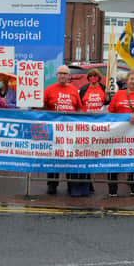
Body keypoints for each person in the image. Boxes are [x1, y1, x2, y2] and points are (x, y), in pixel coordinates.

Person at [107, 70, 134, 196]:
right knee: (114, 159)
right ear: (127, 80)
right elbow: (111, 111)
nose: (133, 81)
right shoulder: (119, 94)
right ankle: (112, 189)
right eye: (131, 79)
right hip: (119, 134)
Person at [43, 65, 82, 195]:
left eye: (65, 74)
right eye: (60, 73)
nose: (62, 76)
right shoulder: (48, 89)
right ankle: (52, 185)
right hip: (54, 130)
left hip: (70, 131)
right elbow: (41, 107)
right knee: (53, 158)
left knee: (69, 158)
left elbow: (79, 109)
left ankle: (71, 185)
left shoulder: (74, 90)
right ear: (56, 75)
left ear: (69, 76)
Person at [74, 68, 109, 195]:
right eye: (91, 76)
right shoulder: (84, 89)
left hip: (99, 126)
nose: (93, 78)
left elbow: (108, 105)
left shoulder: (104, 88)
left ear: (99, 78)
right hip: (86, 125)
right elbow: (79, 104)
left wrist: (107, 96)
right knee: (86, 154)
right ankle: (88, 182)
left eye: (95, 76)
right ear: (88, 78)